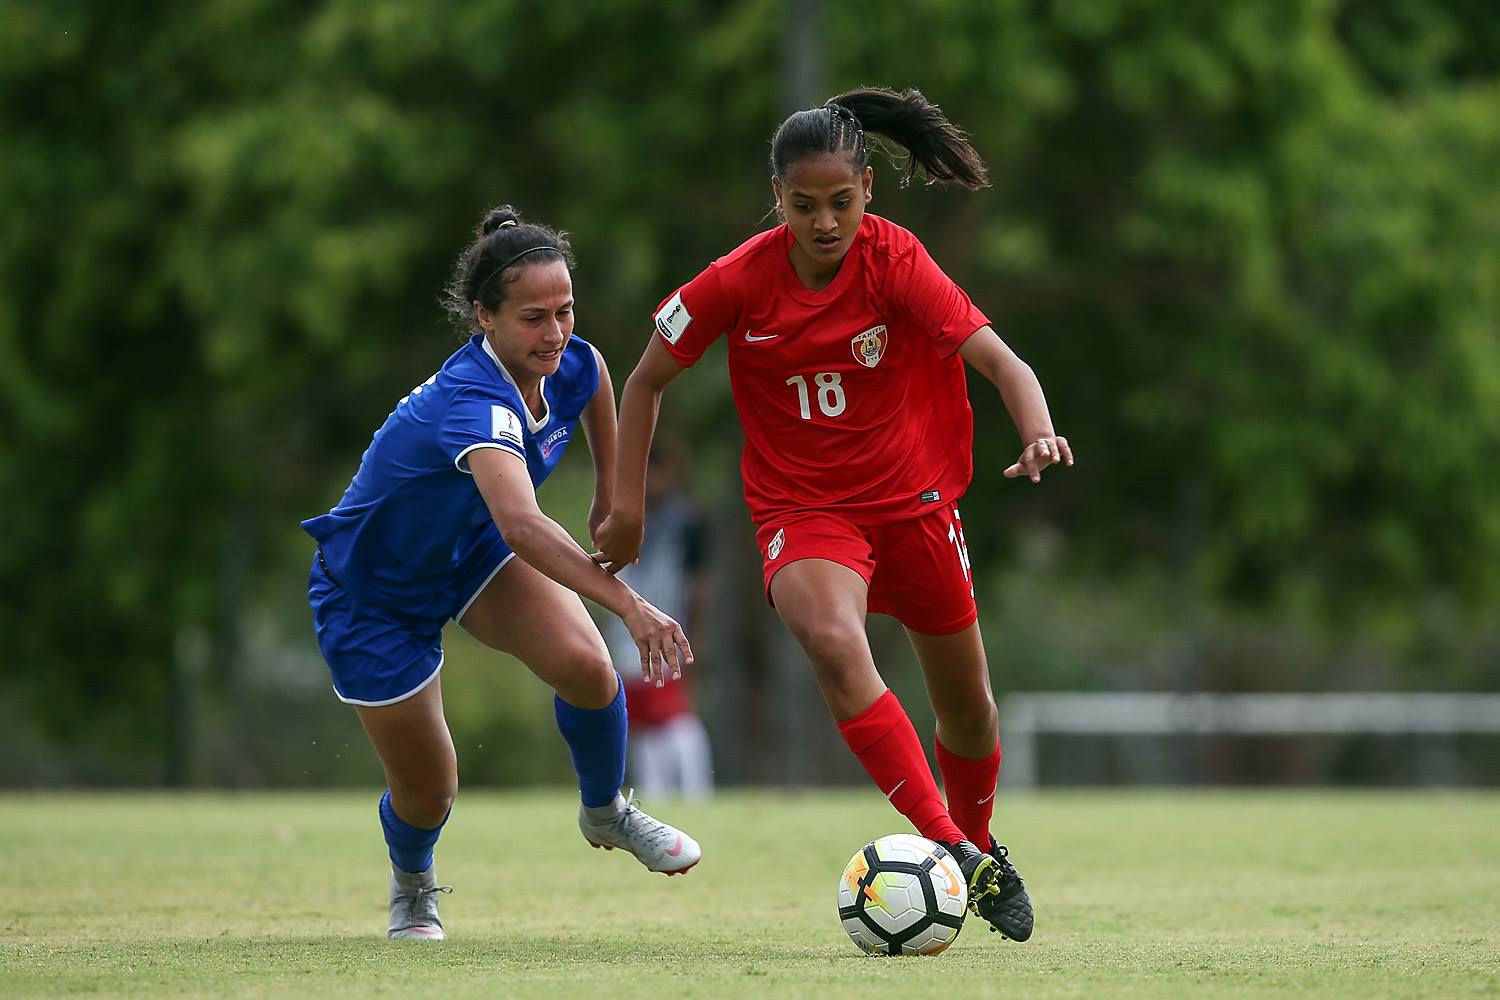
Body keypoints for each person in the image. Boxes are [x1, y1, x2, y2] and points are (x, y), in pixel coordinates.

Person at [595, 88, 1072, 943]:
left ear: (868, 195)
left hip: (916, 504)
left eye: (841, 203)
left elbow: (1003, 362)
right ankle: (953, 849)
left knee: (971, 712)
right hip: (804, 511)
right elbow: (643, 380)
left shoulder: (896, 260)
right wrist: (626, 509)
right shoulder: (739, 279)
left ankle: (976, 835)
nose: (825, 222)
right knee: (832, 639)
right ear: (777, 199)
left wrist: (1037, 431)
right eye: (805, 205)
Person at [301, 206, 700, 942]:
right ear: (484, 316)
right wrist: (630, 605)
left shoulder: (570, 359)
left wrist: (613, 493)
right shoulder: (472, 403)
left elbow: (597, 376)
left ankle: (606, 811)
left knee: (588, 668)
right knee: (429, 790)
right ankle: (413, 886)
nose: (554, 333)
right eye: (532, 318)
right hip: (373, 595)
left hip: (470, 557)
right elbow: (521, 524)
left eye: (564, 310)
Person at [600, 441, 714, 798]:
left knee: (673, 713)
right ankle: (654, 792)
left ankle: (696, 790)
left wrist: (694, 633)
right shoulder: (619, 517)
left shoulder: (687, 522)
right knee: (640, 715)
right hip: (624, 630)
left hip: (668, 623)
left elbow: (698, 586)